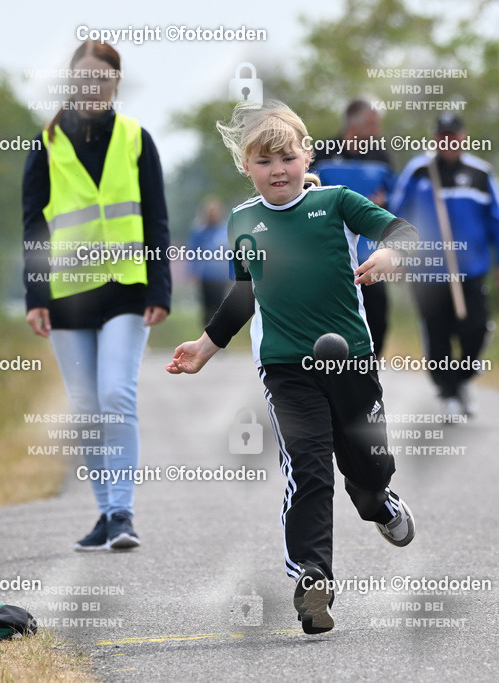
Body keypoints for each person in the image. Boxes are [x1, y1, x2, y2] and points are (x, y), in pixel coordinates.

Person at [165, 100, 418, 635]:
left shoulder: (337, 202)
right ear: (246, 167)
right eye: (263, 161)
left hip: (351, 362)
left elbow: (403, 234)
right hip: (285, 368)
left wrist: (389, 257)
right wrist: (205, 347)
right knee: (307, 467)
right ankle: (312, 576)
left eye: (286, 157)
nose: (277, 169)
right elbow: (243, 294)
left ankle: (377, 502)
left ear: (306, 156)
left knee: (368, 469)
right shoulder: (241, 221)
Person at [22, 40, 171, 550]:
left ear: (115, 84)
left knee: (115, 395)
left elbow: (156, 217)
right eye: (83, 78)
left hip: (126, 288)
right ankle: (106, 514)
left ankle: (123, 513)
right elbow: (33, 226)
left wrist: (161, 286)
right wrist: (34, 297)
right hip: (66, 296)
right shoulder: (46, 144)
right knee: (86, 410)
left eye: (101, 79)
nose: (92, 87)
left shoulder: (136, 139)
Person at [389, 113, 499, 417]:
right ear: (435, 138)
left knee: (476, 330)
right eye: (442, 136)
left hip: (470, 271)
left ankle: (461, 381)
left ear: (463, 137)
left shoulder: (480, 173)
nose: (448, 142)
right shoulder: (419, 171)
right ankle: (447, 394)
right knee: (437, 333)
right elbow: (396, 215)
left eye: (453, 136)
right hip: (426, 272)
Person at [311, 99, 397, 355]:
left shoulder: (382, 157)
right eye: (372, 124)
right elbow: (305, 192)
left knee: (378, 312)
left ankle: (371, 365)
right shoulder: (323, 153)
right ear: (353, 124)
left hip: (370, 253)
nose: (377, 131)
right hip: (329, 253)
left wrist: (384, 203)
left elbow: (397, 199)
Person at [185, 198, 231, 326]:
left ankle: (218, 336)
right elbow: (193, 253)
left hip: (221, 276)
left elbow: (232, 254)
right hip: (205, 276)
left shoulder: (225, 231)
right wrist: (192, 272)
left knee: (220, 306)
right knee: (206, 307)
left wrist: (232, 274)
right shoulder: (199, 232)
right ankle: (205, 334)